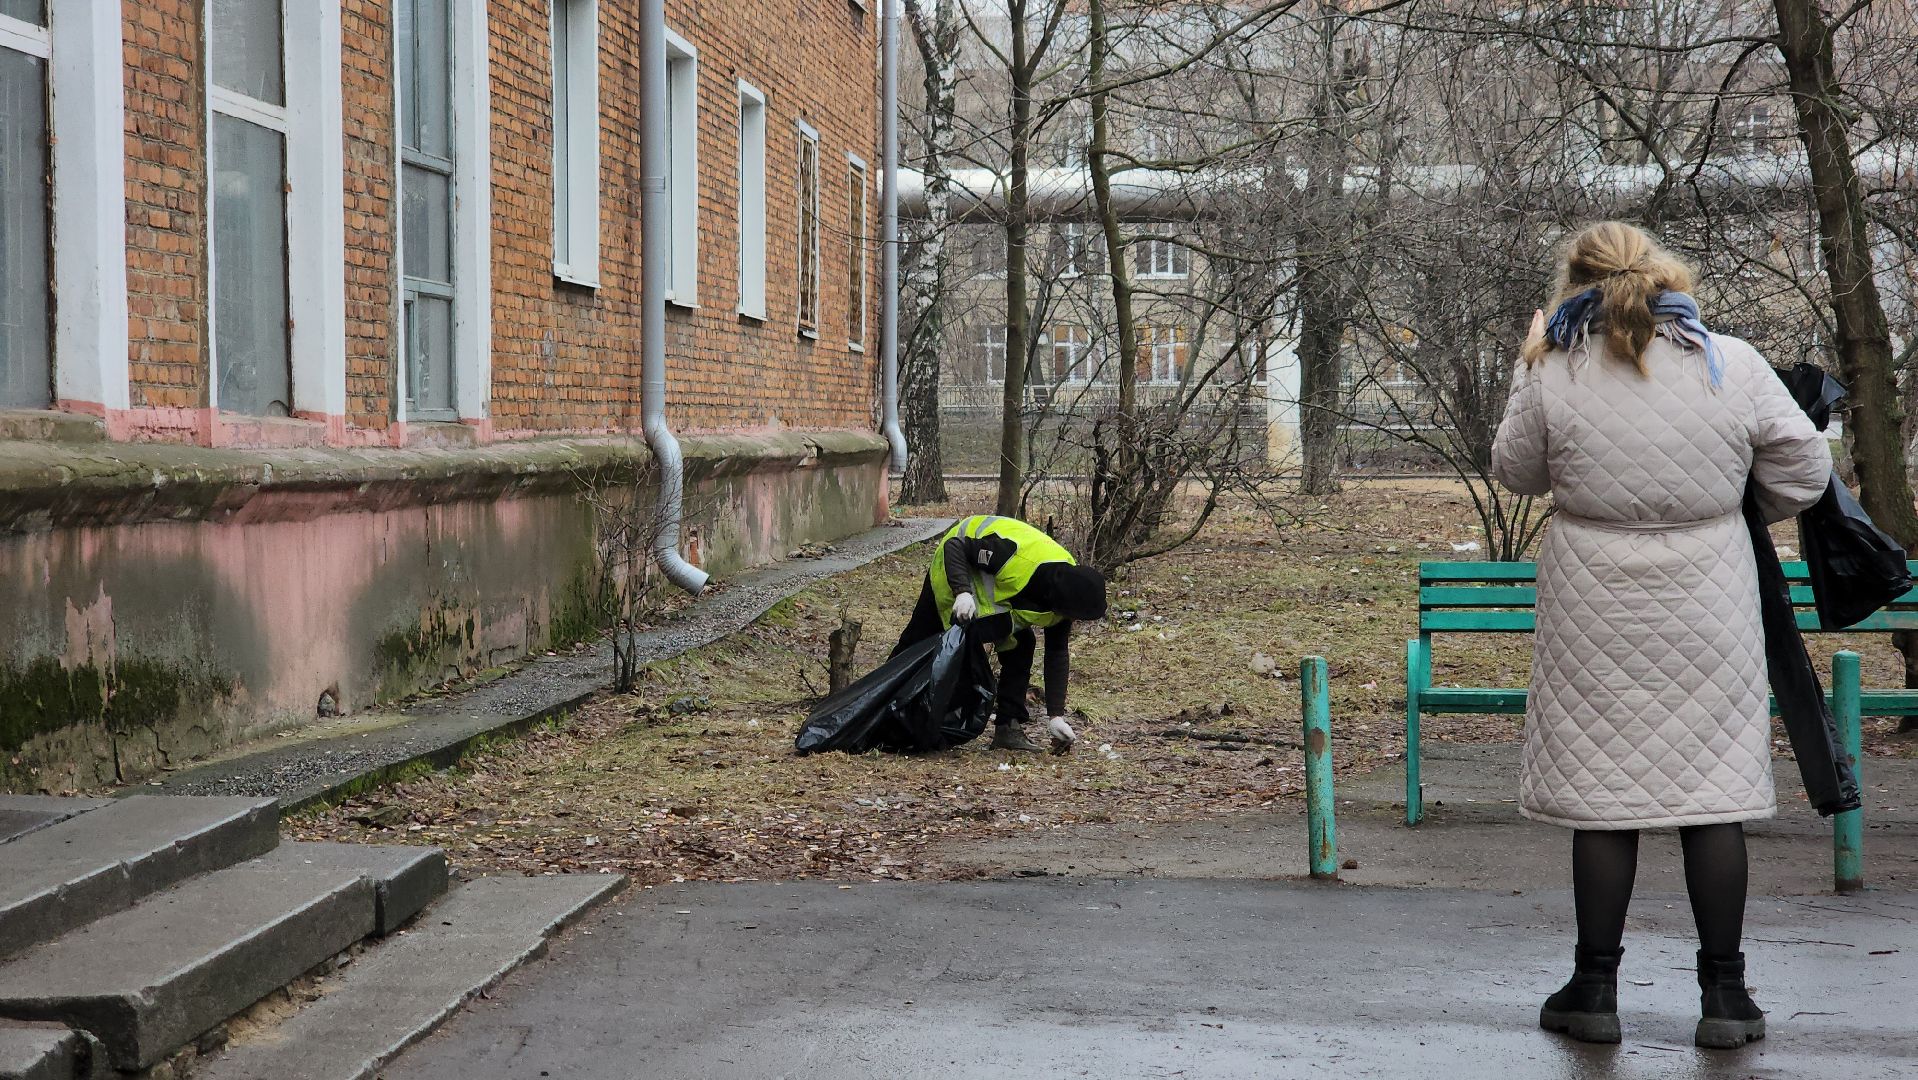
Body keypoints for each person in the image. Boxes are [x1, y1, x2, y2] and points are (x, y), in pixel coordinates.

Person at [1490, 222, 1831, 1049]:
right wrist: (1726, 508)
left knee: (1604, 802)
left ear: (1575, 282)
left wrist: (1526, 362)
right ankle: (1727, 997)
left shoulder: (1558, 367)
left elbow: (1517, 470)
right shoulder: (1733, 361)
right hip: (1708, 592)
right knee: (1711, 792)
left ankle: (1595, 989)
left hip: (1592, 595)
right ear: (1666, 276)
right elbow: (1807, 469)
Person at [892, 515, 1108, 752]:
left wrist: (1055, 715)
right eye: (1075, 616)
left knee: (1021, 644)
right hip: (954, 568)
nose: (1073, 621)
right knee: (920, 642)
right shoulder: (1014, 558)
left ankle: (1008, 727)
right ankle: (887, 709)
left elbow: (1056, 653)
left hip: (997, 605)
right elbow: (956, 547)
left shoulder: (1067, 590)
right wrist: (962, 592)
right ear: (1062, 602)